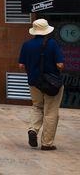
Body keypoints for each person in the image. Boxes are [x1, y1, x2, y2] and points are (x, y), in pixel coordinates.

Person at [18, 19, 65, 150]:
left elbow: (21, 65)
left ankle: (33, 129)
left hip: (34, 82)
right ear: (46, 30)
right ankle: (47, 143)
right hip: (52, 83)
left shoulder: (26, 45)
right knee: (51, 111)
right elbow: (60, 64)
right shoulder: (52, 44)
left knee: (37, 106)